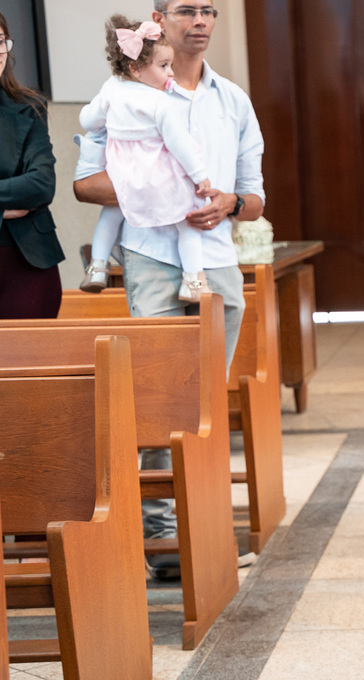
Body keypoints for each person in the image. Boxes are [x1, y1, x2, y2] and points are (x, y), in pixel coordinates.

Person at [74, 0, 265, 579]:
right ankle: (162, 538)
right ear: (160, 17)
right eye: (188, 9)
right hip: (153, 255)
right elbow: (85, 185)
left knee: (206, 404)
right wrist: (165, 192)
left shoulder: (232, 99)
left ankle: (205, 529)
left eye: (210, 10)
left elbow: (254, 199)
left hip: (217, 262)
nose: (202, 20)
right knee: (159, 400)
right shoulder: (123, 92)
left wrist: (229, 202)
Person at [79, 15, 213, 301]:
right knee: (188, 219)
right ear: (136, 68)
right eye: (164, 66)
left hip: (123, 175)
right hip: (158, 175)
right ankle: (193, 280)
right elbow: (181, 146)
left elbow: (88, 119)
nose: (171, 74)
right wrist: (200, 177)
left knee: (112, 213)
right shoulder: (161, 103)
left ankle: (97, 267)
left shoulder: (111, 88)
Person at [0, 11, 64, 319]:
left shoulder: (29, 106)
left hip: (28, 262)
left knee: (32, 362)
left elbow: (41, 185)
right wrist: (5, 207)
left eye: (0, 42)